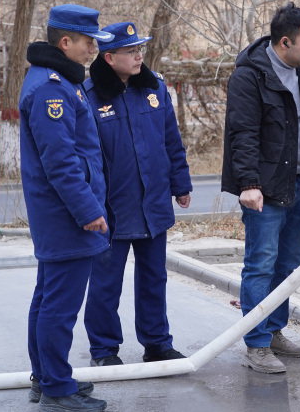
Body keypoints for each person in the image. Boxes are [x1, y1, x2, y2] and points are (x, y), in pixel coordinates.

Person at [20, 4, 115, 411]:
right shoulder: (51, 88)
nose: (93, 49)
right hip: (66, 216)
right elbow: (61, 163)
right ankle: (57, 390)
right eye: (88, 42)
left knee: (48, 299)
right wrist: (88, 210)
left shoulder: (60, 79)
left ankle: (47, 378)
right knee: (59, 307)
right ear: (65, 42)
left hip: (61, 213)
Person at [83, 21, 192, 366]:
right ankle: (104, 350)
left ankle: (157, 343)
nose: (138, 56)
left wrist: (181, 184)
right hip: (111, 209)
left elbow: (171, 140)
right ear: (109, 57)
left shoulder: (154, 87)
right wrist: (89, 206)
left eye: (140, 49)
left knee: (154, 279)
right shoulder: (88, 95)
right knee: (106, 283)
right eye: (131, 51)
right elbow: (84, 158)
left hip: (153, 203)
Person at [222, 3, 300, 374]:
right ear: (285, 42)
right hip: (264, 188)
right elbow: (243, 133)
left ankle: (275, 330)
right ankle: (257, 343)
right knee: (261, 264)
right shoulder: (249, 77)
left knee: (289, 265)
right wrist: (249, 183)